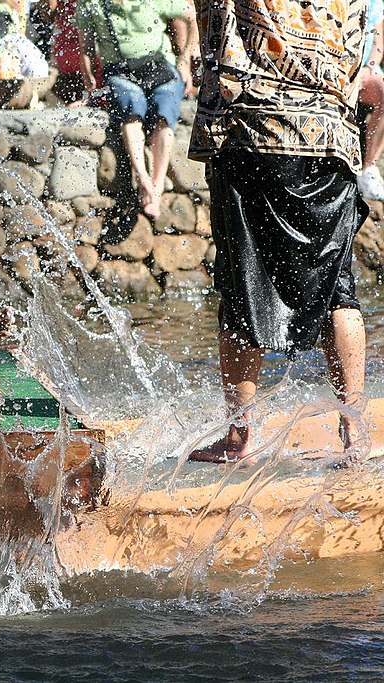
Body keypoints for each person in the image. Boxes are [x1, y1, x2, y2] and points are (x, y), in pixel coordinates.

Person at [187, 0, 368, 462]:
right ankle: (355, 433)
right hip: (330, 139)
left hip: (253, 128)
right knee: (338, 290)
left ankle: (238, 437)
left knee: (242, 284)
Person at [75, 0, 195, 219]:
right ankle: (142, 178)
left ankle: (156, 188)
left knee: (164, 117)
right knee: (132, 111)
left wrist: (184, 61)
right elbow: (86, 47)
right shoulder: (91, 4)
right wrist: (89, 82)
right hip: (121, 73)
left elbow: (191, 15)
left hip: (161, 67)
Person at [358, 0, 384, 200]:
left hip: (363, 72)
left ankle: (368, 168)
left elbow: (378, 43)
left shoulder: (374, 2)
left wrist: (368, 67)